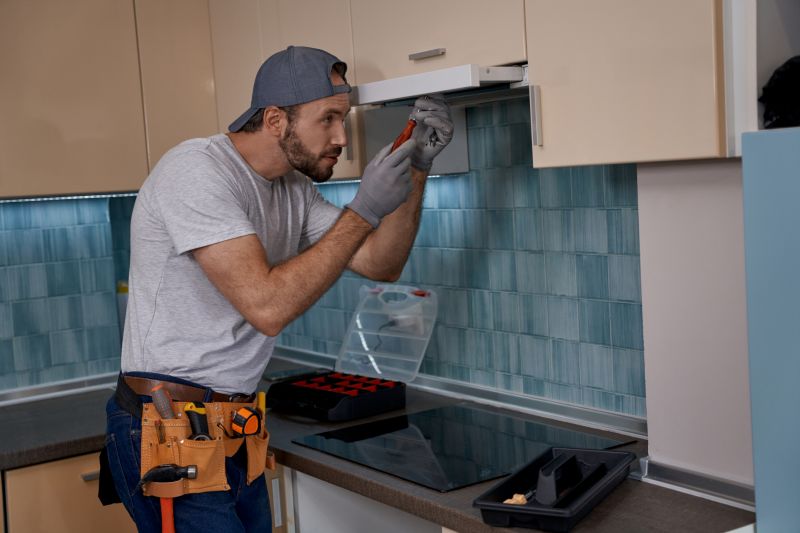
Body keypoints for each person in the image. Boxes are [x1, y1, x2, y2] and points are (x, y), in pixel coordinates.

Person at [100, 45, 453, 532]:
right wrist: (364, 210)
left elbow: (380, 262)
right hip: (168, 431)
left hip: (234, 431)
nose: (342, 139)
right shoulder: (196, 171)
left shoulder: (292, 190)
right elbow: (266, 306)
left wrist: (416, 171)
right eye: (328, 119)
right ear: (273, 120)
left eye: (343, 118)